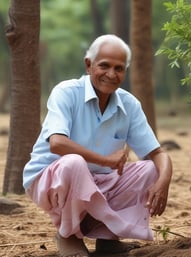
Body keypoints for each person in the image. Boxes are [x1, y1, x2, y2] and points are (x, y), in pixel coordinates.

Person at [23, 34, 173, 257]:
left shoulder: (129, 104)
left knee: (150, 169)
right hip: (51, 179)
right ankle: (68, 236)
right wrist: (105, 160)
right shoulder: (66, 92)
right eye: (104, 65)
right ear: (88, 65)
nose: (111, 74)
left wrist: (164, 181)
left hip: (98, 181)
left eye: (119, 68)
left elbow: (158, 153)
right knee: (74, 163)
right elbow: (57, 144)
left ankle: (107, 237)